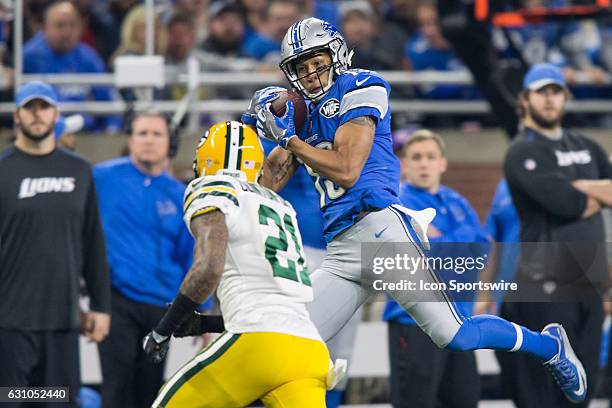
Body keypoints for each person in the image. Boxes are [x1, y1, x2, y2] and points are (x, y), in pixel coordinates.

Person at [245, 17, 590, 404]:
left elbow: (346, 168)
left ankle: (549, 347)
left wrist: (289, 137)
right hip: (341, 249)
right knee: (292, 341)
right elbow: (268, 180)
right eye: (300, 67)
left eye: (317, 61)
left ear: (337, 53)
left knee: (454, 334)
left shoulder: (361, 86)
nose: (310, 73)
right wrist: (241, 165)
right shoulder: (302, 115)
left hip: (381, 233)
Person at [142, 121, 341, 407]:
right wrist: (205, 323)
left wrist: (163, 329)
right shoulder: (280, 205)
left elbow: (208, 269)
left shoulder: (212, 188)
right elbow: (274, 311)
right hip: (309, 349)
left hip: (258, 346)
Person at [496, 63, 612, 408]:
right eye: (541, 92)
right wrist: (590, 192)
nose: (549, 99)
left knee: (583, 389)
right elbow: (568, 203)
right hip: (544, 285)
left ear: (566, 96)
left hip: (589, 284)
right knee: (544, 391)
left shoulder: (589, 146)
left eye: (556, 91)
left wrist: (580, 188)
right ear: (525, 99)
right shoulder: (522, 151)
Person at [0, 81, 110, 407]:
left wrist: (100, 307)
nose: (37, 115)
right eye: (29, 108)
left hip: (62, 322)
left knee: (58, 402)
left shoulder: (78, 171)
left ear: (55, 113)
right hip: (9, 325)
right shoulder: (3, 171)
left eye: (44, 107)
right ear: (17, 115)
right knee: (11, 402)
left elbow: (93, 243)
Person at [93, 112, 194, 408]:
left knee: (150, 390)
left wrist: (201, 306)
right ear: (130, 140)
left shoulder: (182, 195)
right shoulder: (101, 177)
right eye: (142, 133)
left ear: (169, 143)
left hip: (162, 307)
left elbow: (190, 253)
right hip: (116, 300)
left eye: (156, 134)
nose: (148, 140)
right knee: (116, 387)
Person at [383, 130, 488, 408]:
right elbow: (427, 256)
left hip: (461, 321)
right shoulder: (396, 202)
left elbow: (481, 249)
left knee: (464, 399)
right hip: (415, 322)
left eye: (431, 157)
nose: (424, 164)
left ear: (442, 163)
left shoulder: (457, 200)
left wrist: (446, 241)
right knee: (416, 402)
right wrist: (458, 243)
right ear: (404, 164)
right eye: (416, 157)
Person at [23, 1, 121, 132]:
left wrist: (111, 130)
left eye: (72, 25)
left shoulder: (89, 57)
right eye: (60, 25)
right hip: (42, 133)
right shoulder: (28, 57)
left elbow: (109, 101)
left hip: (86, 134)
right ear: (44, 27)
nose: (67, 32)